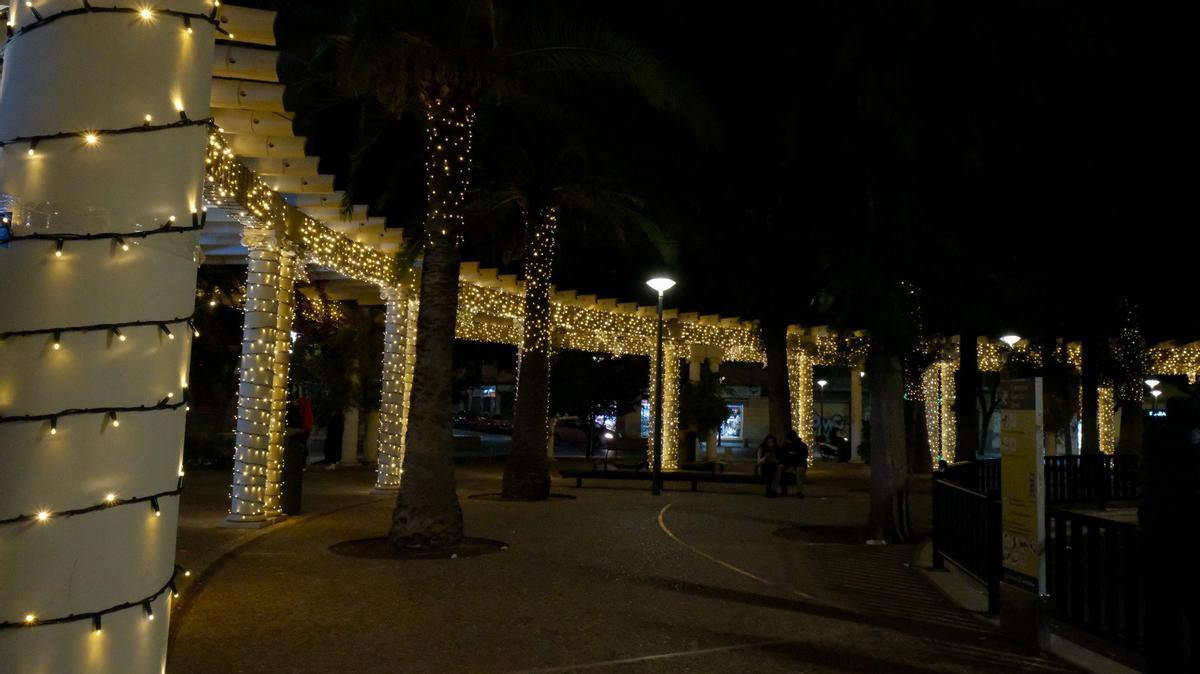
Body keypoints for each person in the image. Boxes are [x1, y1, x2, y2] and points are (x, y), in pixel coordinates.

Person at [1140, 395, 1200, 672]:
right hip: (1186, 534)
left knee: (1160, 606)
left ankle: (1162, 659)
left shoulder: (1153, 441)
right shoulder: (1192, 444)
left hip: (1154, 533)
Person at [781, 430, 809, 497]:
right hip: (788, 465)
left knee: (799, 471)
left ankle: (799, 491)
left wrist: (793, 466)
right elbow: (782, 456)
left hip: (798, 465)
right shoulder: (785, 445)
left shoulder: (801, 445)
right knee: (780, 469)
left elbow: (803, 457)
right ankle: (783, 490)